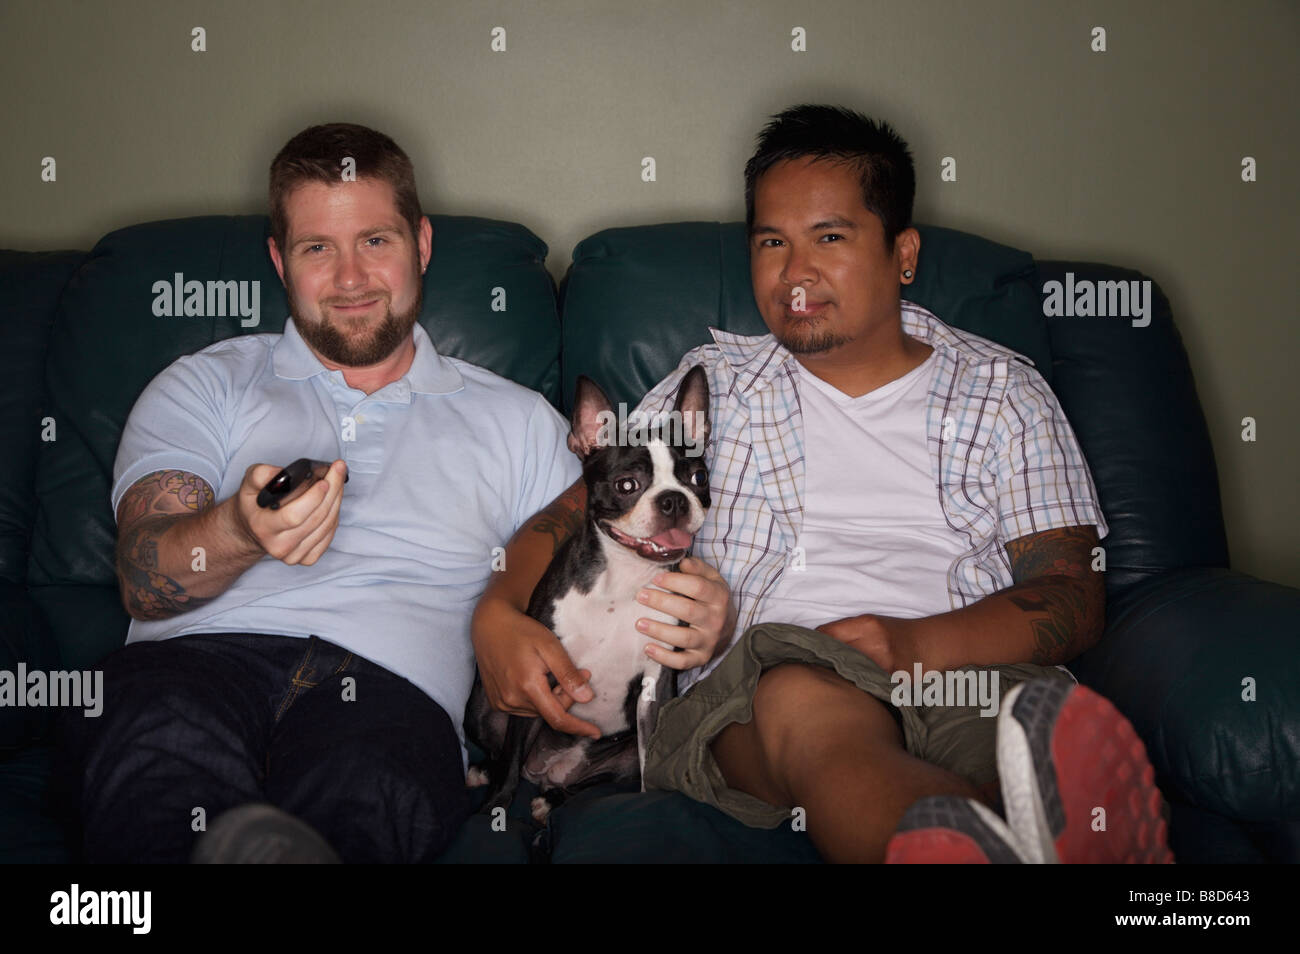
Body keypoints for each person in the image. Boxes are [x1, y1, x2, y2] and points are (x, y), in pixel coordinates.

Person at [472, 105, 1172, 863]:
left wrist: (912, 644)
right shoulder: (716, 388)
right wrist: (500, 610)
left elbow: (1072, 591)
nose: (794, 272)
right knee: (809, 706)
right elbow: (585, 506)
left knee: (1018, 748)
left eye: (829, 238)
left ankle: (1035, 830)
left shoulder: (1004, 392)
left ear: (903, 254)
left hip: (970, 668)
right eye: (772, 242)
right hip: (770, 681)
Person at [56, 122, 581, 863]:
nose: (350, 279)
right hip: (193, 667)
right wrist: (238, 530)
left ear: (421, 244)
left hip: (391, 693)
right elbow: (144, 579)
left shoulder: (520, 422)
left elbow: (603, 563)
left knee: (366, 792)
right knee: (162, 756)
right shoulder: (205, 384)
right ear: (279, 260)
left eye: (376, 241)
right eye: (316, 249)